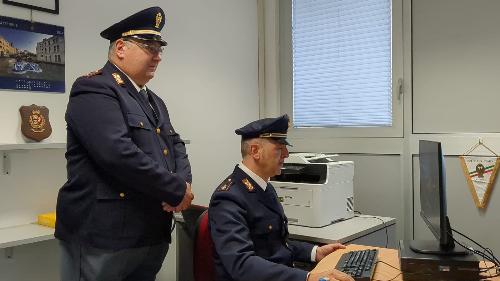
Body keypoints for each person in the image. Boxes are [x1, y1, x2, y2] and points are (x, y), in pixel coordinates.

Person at [55, 6, 194, 281]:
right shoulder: (94, 89)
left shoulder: (153, 100)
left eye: (160, 48)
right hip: (105, 234)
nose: (157, 56)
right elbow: (117, 153)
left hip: (150, 230)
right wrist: (175, 189)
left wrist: (183, 184)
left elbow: (176, 145)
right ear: (120, 47)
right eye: (149, 47)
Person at [208, 115, 354, 281]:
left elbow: (276, 243)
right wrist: (307, 277)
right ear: (255, 151)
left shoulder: (266, 187)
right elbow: (242, 264)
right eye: (279, 147)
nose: (286, 154)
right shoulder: (229, 197)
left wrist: (315, 252)